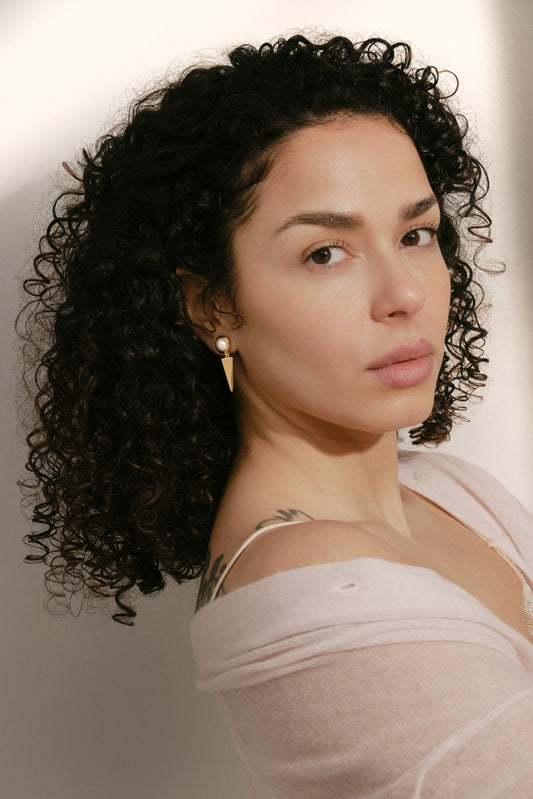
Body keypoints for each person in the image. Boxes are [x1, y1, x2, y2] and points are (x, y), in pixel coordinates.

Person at [19, 34, 533, 796]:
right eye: (325, 252)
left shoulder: (454, 491)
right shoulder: (312, 590)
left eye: (415, 234)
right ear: (211, 304)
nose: (404, 293)